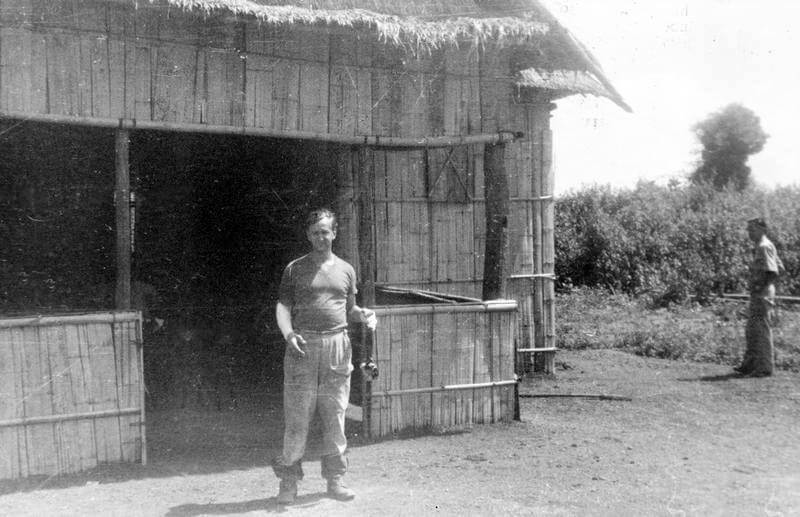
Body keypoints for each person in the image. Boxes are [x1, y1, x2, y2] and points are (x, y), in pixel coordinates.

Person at [272, 208, 377, 505]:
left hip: (337, 346)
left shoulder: (346, 270)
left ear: (334, 233)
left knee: (335, 414)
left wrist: (364, 314)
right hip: (303, 345)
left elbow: (349, 309)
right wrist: (289, 334)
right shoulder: (294, 268)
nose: (321, 237)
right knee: (297, 418)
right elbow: (282, 308)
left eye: (325, 232)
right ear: (308, 235)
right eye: (315, 232)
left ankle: (335, 480)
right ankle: (288, 482)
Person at [735, 217, 784, 377]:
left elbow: (773, 272)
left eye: (752, 229)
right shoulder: (762, 246)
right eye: (748, 230)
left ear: (763, 229)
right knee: (752, 329)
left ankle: (764, 368)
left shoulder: (764, 246)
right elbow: (780, 267)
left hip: (762, 293)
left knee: (761, 330)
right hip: (760, 292)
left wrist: (760, 286)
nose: (749, 233)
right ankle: (750, 365)